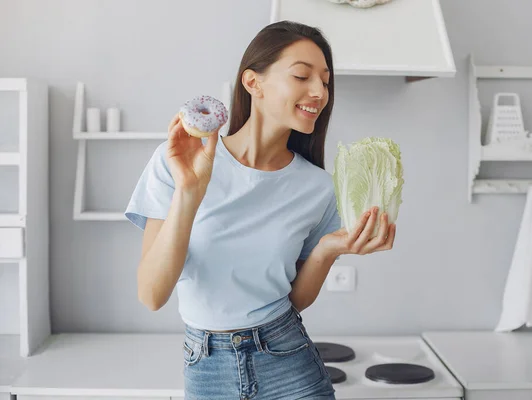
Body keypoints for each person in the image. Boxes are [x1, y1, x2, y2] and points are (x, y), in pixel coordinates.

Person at [125, 20, 396, 400]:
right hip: (207, 369)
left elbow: (294, 299)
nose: (319, 91)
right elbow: (151, 295)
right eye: (302, 76)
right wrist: (190, 190)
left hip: (289, 360)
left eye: (326, 81)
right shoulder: (179, 162)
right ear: (253, 83)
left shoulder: (318, 188)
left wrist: (328, 250)